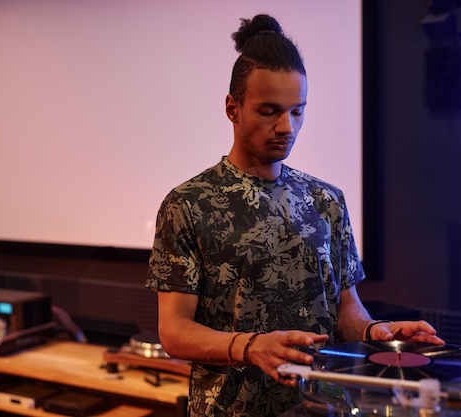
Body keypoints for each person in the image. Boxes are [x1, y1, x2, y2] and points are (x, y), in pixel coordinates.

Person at [145, 14, 444, 417]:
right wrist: (250, 347)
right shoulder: (187, 204)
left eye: (297, 111)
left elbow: (346, 311)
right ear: (232, 108)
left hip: (325, 406)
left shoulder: (327, 200)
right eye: (269, 111)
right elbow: (175, 331)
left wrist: (377, 333)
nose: (287, 126)